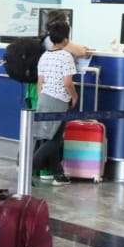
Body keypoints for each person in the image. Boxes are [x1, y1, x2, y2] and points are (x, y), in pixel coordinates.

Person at [31, 18, 78, 186]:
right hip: (58, 100)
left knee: (45, 137)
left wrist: (41, 98)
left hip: (44, 98)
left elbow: (40, 82)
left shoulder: (44, 56)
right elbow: (67, 82)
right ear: (66, 39)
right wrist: (74, 96)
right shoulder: (66, 56)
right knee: (55, 140)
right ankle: (29, 166)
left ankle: (58, 175)